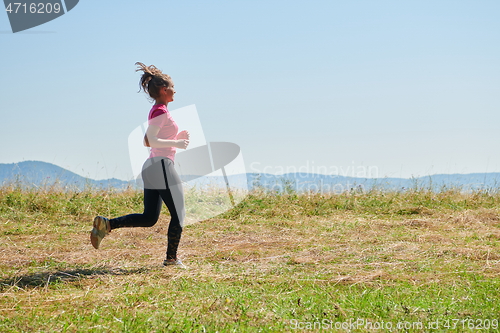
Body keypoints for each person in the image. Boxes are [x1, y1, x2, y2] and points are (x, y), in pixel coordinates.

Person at [90, 62, 190, 268]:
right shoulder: (160, 111)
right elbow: (148, 140)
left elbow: (158, 138)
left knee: (149, 218)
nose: (175, 90)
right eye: (172, 87)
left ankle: (108, 224)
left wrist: (176, 139)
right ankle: (171, 259)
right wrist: (177, 143)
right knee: (178, 213)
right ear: (164, 90)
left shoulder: (159, 111)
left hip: (154, 166)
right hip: (160, 166)